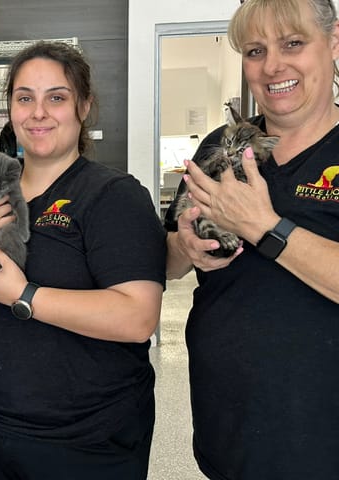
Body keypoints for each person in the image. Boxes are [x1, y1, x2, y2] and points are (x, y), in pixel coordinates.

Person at [0, 41, 166, 479]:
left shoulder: (113, 197)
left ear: (83, 106)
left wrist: (23, 294)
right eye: (24, 97)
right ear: (10, 108)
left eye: (57, 97)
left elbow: (137, 317)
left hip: (85, 439)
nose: (38, 112)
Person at [165, 0, 339, 478]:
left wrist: (266, 227)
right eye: (256, 50)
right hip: (231, 431)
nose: (273, 66)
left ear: (334, 41)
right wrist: (185, 246)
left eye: (293, 44)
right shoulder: (220, 144)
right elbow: (166, 264)